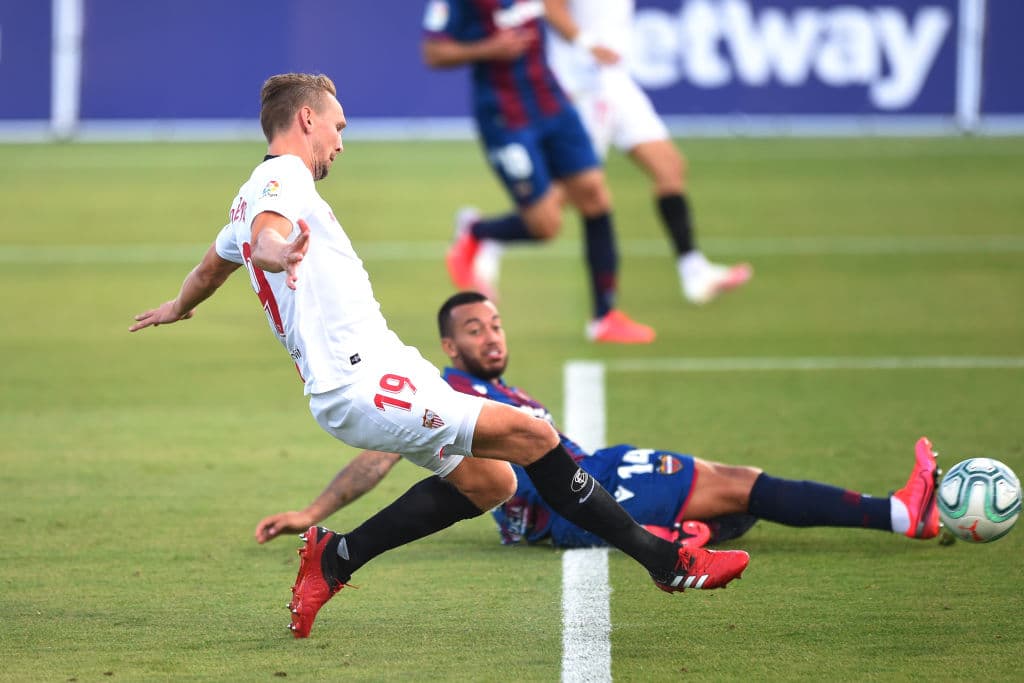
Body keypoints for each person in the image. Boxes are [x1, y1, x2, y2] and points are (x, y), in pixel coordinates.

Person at [128, 73, 749, 639]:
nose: (341, 143)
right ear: (308, 120)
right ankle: (666, 562)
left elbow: (213, 265)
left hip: (382, 371)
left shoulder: (249, 198)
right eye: (338, 127)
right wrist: (276, 252)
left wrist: (179, 305)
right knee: (533, 435)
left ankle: (335, 558)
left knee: (492, 481)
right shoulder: (279, 179)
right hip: (361, 383)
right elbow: (263, 235)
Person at [255, 291, 942, 553]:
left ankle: (689, 531)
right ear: (450, 346)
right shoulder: (444, 388)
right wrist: (312, 509)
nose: (490, 337)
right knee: (739, 483)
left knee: (735, 499)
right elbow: (382, 452)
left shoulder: (501, 386)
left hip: (591, 471)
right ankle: (899, 513)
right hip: (569, 499)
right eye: (473, 329)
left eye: (495, 323)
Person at [421, 0, 656, 344]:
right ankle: (477, 231)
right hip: (505, 116)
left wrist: (588, 45)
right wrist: (489, 48)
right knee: (545, 226)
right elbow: (433, 53)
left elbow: (554, 11)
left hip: (551, 100)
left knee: (593, 192)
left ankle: (604, 316)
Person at [543, 0, 752, 305]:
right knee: (577, 188)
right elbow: (551, 7)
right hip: (583, 81)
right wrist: (588, 43)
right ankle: (485, 237)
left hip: (615, 78)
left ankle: (694, 271)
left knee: (669, 166)